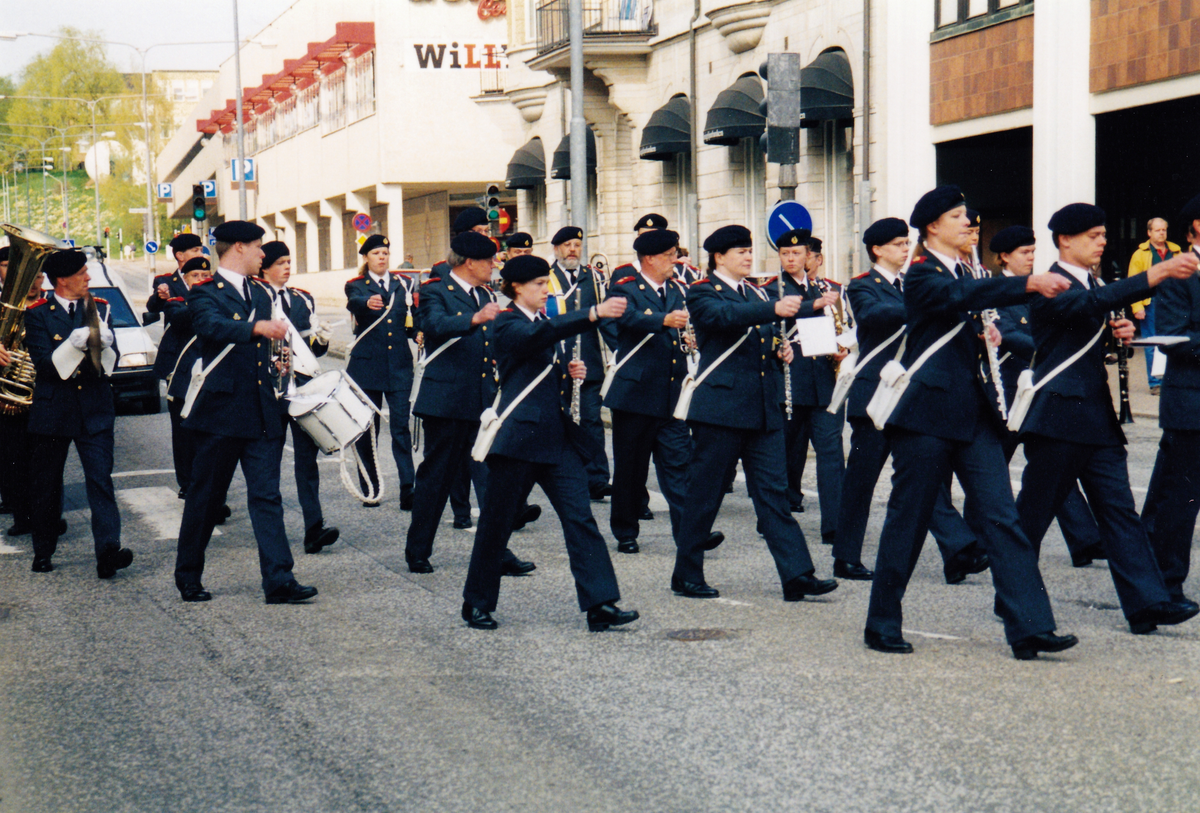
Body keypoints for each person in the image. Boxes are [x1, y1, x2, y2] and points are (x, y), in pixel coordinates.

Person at [863, 185, 1077, 660]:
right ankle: (881, 621)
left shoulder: (969, 270)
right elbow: (958, 295)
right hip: (925, 415)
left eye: (969, 216)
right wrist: (1027, 283)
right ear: (932, 226)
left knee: (1002, 518)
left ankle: (1030, 627)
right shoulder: (921, 274)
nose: (969, 223)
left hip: (975, 414)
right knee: (909, 518)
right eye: (958, 216)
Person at [1014, 203, 1200, 635]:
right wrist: (1154, 275)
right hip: (1058, 416)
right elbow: (1088, 303)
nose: (1101, 242)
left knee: (1120, 513)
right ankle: (1015, 598)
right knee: (1031, 519)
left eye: (1102, 235)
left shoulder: (1091, 281)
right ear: (1065, 240)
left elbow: (1089, 316)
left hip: (1095, 416)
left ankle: (1147, 603)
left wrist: (1117, 338)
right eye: (1093, 236)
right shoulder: (1050, 283)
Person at [460, 254, 638, 632]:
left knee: (581, 519)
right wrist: (592, 314)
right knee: (497, 525)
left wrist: (567, 373)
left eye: (546, 283)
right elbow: (533, 340)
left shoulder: (542, 321)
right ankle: (476, 603)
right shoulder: (506, 322)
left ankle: (601, 603)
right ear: (516, 288)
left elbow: (541, 355)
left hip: (556, 440)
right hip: (518, 440)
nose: (546, 290)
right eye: (539, 284)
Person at [670, 225, 838, 602]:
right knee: (705, 495)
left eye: (749, 251)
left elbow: (763, 336)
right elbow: (722, 318)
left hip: (762, 409)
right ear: (719, 257)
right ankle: (686, 573)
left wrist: (780, 350)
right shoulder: (702, 291)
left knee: (774, 495)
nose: (748, 257)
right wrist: (775, 308)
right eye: (740, 252)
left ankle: (797, 574)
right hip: (721, 410)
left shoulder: (755, 291)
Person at [834, 217, 986, 583]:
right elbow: (871, 315)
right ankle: (846, 556)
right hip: (875, 392)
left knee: (923, 478)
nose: (906, 249)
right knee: (862, 480)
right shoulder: (861, 285)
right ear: (878, 249)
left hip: (910, 394)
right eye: (898, 244)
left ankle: (957, 551)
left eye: (907, 243)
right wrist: (920, 307)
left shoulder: (915, 282)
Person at [173, 220, 317, 604]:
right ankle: (188, 575)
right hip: (220, 412)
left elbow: (273, 350)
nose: (261, 255)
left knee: (267, 497)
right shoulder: (205, 291)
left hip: (262, 410)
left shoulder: (262, 292)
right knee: (206, 497)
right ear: (238, 247)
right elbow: (210, 326)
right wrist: (255, 328)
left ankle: (279, 580)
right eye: (257, 248)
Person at [404, 230, 535, 575]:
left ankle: (498, 551)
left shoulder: (485, 294)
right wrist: (474, 319)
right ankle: (418, 550)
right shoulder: (435, 290)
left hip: (483, 402)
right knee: (437, 479)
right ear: (469, 262)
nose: (494, 265)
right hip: (446, 401)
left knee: (492, 480)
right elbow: (432, 324)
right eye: (489, 260)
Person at [987, 225, 1107, 569]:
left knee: (1053, 468)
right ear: (1004, 257)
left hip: (1043, 393)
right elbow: (1009, 335)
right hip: (1010, 392)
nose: (1030, 258)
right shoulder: (998, 291)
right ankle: (978, 537)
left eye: (1032, 252)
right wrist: (1048, 350)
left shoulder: (1040, 288)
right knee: (993, 468)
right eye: (1023, 253)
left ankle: (1084, 539)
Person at [603, 228, 716, 554]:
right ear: (650, 258)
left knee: (680, 465)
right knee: (631, 468)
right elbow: (627, 318)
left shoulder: (678, 288)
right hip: (636, 393)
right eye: (669, 256)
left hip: (670, 392)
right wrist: (664, 320)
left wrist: (690, 337)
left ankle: (690, 532)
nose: (675, 261)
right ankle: (625, 530)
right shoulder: (625, 287)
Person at [23, 249, 131, 577]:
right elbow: (45, 365)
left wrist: (109, 346)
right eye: (83, 273)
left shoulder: (99, 308)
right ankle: (43, 549)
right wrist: (73, 344)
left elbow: (112, 360)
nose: (88, 278)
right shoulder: (39, 313)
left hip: (94, 409)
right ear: (62, 280)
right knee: (48, 484)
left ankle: (108, 551)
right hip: (54, 409)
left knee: (100, 481)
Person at [258, 241, 339, 554]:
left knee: (307, 461)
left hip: (302, 390)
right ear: (265, 267)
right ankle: (272, 532)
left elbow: (311, 350)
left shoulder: (302, 300)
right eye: (280, 263)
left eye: (289, 261)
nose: (287, 267)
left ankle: (313, 528)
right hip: (270, 391)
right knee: (269, 463)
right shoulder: (257, 297)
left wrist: (323, 340)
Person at [1142, 194, 1200, 606]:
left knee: (1167, 493)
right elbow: (1175, 338)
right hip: (1191, 404)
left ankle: (1142, 563)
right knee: (1180, 499)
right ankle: (1165, 584)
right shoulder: (1180, 275)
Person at [776, 229, 847, 545]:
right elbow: (772, 327)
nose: (790, 259)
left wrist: (840, 347)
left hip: (823, 382)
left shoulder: (820, 286)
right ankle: (776, 514)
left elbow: (834, 327)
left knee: (831, 452)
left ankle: (834, 524)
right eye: (785, 254)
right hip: (791, 383)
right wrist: (816, 304)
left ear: (810, 257)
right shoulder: (772, 290)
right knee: (786, 454)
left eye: (796, 254)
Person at [345, 233, 416, 509]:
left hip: (398, 367)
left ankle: (408, 488)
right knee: (367, 430)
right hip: (367, 369)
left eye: (385, 253)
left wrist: (419, 332)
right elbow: (355, 301)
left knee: (400, 428)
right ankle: (371, 487)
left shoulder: (404, 284)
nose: (382, 257)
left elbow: (412, 319)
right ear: (366, 258)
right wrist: (366, 303)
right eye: (376, 253)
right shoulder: (356, 285)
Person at [547, 226, 613, 500]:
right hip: (556, 363)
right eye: (567, 245)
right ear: (557, 249)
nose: (572, 249)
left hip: (589, 361)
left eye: (577, 244)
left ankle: (597, 478)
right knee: (557, 423)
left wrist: (619, 352)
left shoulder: (593, 277)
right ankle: (564, 477)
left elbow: (606, 319)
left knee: (591, 421)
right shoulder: (546, 278)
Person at [148, 234, 206, 498]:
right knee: (182, 428)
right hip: (179, 362)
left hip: (205, 362)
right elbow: (153, 307)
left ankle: (205, 487)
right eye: (194, 249)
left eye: (201, 248)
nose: (200, 253)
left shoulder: (210, 281)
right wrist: (161, 298)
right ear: (179, 255)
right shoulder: (165, 283)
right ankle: (188, 484)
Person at [1127, 217, 1179, 394]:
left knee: (1173, 341)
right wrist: (1137, 307)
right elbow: (1133, 283)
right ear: (1149, 233)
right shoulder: (1140, 254)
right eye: (1157, 230)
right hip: (1151, 303)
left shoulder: (1176, 251)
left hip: (1173, 302)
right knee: (1152, 343)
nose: (1161, 233)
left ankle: (1170, 380)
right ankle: (1154, 383)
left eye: (1164, 230)